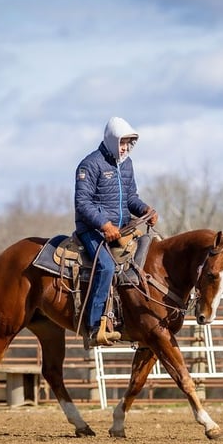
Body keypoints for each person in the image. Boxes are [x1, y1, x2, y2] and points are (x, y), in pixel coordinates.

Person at [74, 116, 158, 348]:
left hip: (122, 229)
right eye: (122, 142)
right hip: (92, 230)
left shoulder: (127, 164)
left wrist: (145, 209)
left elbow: (130, 197)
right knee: (106, 266)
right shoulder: (90, 164)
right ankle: (93, 326)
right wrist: (104, 225)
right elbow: (83, 203)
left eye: (129, 143)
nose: (125, 148)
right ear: (112, 141)